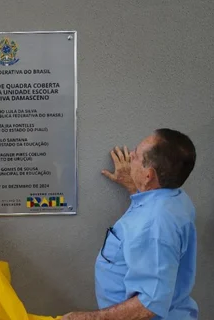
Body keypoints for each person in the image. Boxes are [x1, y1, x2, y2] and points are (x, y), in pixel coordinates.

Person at [62, 128, 198, 320]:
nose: (131, 155)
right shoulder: (175, 198)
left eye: (136, 155)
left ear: (149, 175)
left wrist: (87, 318)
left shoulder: (155, 226)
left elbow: (149, 304)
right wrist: (135, 184)